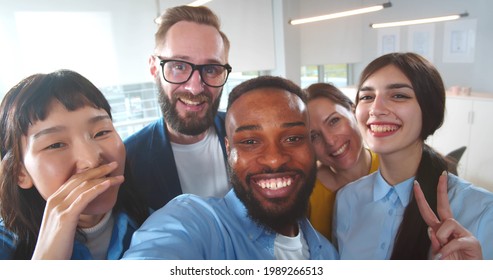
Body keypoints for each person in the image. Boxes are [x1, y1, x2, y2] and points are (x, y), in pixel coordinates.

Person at [122, 76, 339, 260]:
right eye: (250, 142)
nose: (274, 160)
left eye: (293, 138)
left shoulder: (328, 253)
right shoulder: (195, 223)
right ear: (229, 150)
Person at [334, 52, 493, 260]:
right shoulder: (347, 199)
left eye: (399, 95)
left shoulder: (481, 210)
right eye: (367, 97)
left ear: (429, 109)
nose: (376, 109)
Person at [0, 70, 149, 259]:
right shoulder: (6, 243)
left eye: (101, 132)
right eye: (56, 145)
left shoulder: (156, 223)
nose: (91, 160)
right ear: (20, 173)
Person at [124, 5, 232, 210]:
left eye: (211, 69)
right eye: (179, 66)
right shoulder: (129, 161)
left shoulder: (247, 136)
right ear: (154, 68)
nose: (195, 87)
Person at [305, 83, 378, 240]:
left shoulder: (395, 166)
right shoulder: (305, 193)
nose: (330, 141)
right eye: (314, 136)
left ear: (353, 110)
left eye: (334, 121)